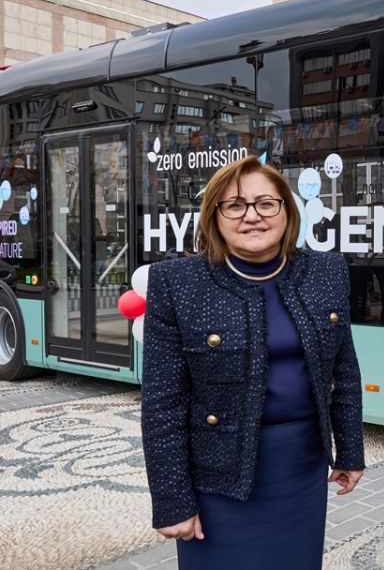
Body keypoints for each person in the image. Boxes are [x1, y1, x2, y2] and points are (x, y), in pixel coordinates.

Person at [140, 156, 365, 569]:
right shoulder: (177, 283)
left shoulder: (327, 270)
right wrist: (172, 500)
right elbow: (162, 403)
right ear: (215, 217)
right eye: (235, 205)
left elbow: (344, 371)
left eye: (266, 203)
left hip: (301, 466)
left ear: (286, 211)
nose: (252, 216)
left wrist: (350, 451)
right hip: (218, 477)